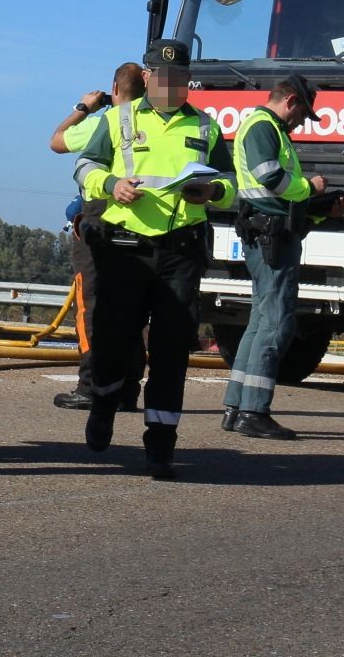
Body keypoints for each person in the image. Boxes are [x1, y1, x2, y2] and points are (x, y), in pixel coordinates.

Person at [71, 38, 235, 479]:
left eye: (180, 78)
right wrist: (111, 185)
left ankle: (160, 445)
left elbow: (231, 182)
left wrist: (213, 191)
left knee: (171, 350)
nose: (171, 84)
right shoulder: (119, 118)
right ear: (147, 78)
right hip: (126, 246)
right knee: (114, 337)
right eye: (163, 78)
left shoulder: (205, 126)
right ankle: (103, 405)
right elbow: (84, 166)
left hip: (181, 248)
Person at [220, 75, 344, 440]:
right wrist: (312, 188)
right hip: (271, 237)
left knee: (261, 321)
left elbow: (282, 197)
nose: (300, 123)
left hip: (268, 233)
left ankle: (237, 406)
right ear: (291, 101)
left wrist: (323, 209)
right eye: (302, 115)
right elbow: (272, 180)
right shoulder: (265, 127)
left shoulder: (266, 127)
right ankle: (254, 411)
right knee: (277, 324)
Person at [48, 62, 146, 412]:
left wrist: (84, 107)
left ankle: (90, 385)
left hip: (98, 216)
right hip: (137, 220)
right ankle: (128, 388)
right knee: (131, 305)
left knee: (91, 303)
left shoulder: (103, 122)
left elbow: (57, 141)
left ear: (115, 90)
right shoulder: (154, 124)